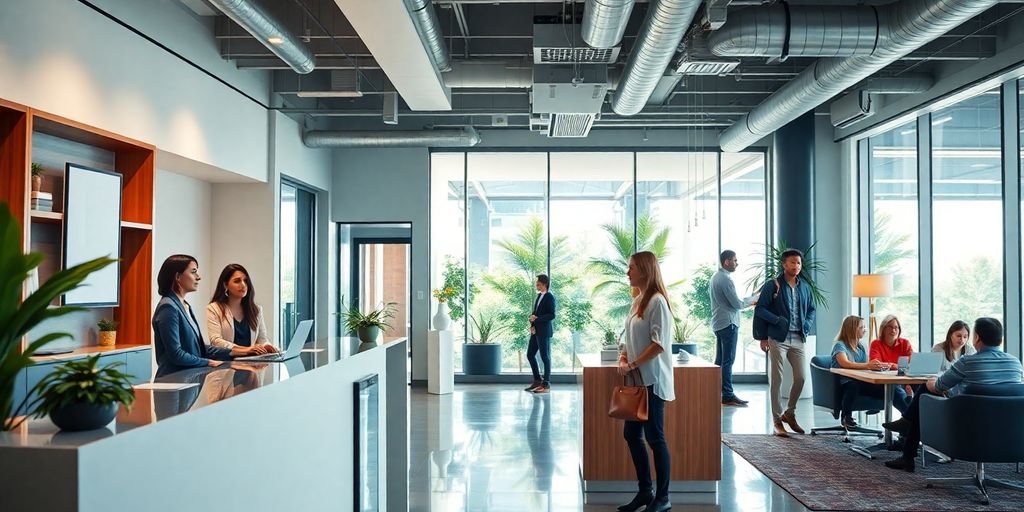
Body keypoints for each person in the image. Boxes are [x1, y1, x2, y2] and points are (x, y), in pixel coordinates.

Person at [884, 317, 1024, 472]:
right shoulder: (1015, 363)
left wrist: (930, 382)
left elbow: (938, 387)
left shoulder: (968, 361)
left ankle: (907, 451)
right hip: (1008, 428)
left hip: (966, 423)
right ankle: (906, 424)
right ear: (1000, 339)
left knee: (924, 393)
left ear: (976, 338)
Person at [617, 251, 675, 512]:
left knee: (655, 437)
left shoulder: (657, 302)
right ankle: (645, 492)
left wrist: (633, 364)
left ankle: (662, 498)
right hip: (637, 381)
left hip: (652, 380)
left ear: (644, 270)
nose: (627, 272)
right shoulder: (638, 300)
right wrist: (622, 356)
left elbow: (658, 344)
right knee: (631, 434)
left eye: (631, 268)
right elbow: (626, 335)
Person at [152, 254, 269, 377]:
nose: (198, 277)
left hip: (187, 380)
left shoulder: (184, 305)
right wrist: (208, 362)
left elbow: (201, 349)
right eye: (193, 272)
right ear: (178, 277)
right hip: (173, 381)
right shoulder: (168, 307)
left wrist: (242, 351)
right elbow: (176, 354)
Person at [754, 248, 816, 437]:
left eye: (798, 262)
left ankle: (790, 412)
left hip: (798, 337)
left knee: (801, 378)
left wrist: (806, 323)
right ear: (783, 264)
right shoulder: (773, 285)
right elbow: (761, 309)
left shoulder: (804, 286)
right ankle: (777, 420)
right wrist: (776, 323)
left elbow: (812, 309)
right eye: (792, 262)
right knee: (777, 378)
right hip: (777, 338)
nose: (796, 266)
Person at [710, 249, 757, 406]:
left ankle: (716, 391)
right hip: (728, 323)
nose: (737, 263)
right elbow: (737, 304)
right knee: (728, 360)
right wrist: (754, 299)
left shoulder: (715, 277)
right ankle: (728, 395)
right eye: (735, 260)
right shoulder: (726, 279)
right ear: (727, 262)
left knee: (720, 360)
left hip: (718, 323)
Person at [206, 263, 277, 354]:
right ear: (225, 285)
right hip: (227, 364)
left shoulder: (256, 310)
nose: (243, 285)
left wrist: (267, 346)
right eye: (237, 281)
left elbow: (262, 339)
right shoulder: (214, 309)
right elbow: (216, 341)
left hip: (252, 363)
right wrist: (246, 350)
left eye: (245, 281)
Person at [830, 315, 887, 428]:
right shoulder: (840, 345)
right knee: (852, 385)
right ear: (852, 329)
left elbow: (864, 366)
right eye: (862, 327)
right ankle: (846, 416)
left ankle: (876, 408)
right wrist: (868, 365)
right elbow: (844, 363)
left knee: (885, 388)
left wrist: (876, 367)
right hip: (842, 382)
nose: (864, 330)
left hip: (859, 380)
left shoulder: (861, 347)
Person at [869, 315, 914, 413]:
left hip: (904, 380)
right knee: (895, 388)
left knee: (923, 387)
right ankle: (910, 419)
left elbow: (911, 364)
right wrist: (899, 366)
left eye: (896, 327)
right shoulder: (876, 344)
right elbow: (877, 365)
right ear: (883, 329)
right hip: (883, 384)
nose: (893, 330)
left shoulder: (905, 343)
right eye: (890, 327)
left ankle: (918, 419)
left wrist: (891, 366)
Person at [525, 274, 556, 394]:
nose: (536, 285)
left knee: (545, 357)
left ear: (544, 284)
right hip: (536, 331)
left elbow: (552, 315)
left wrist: (537, 319)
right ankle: (537, 380)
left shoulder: (549, 297)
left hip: (544, 332)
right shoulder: (539, 296)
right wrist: (532, 325)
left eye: (538, 284)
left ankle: (546, 384)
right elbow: (534, 313)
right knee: (530, 354)